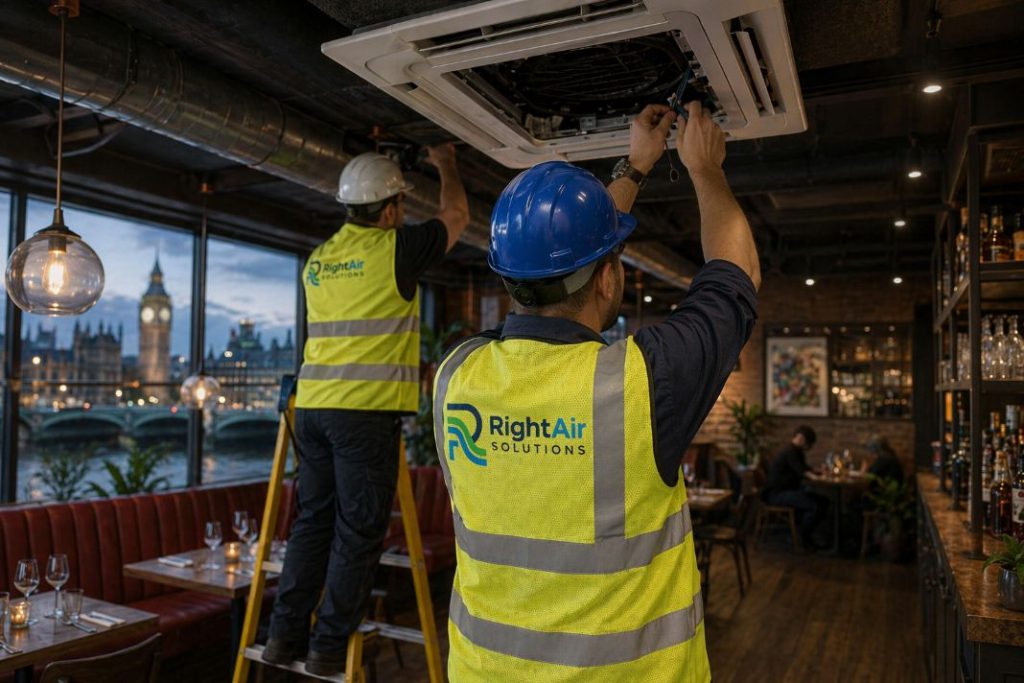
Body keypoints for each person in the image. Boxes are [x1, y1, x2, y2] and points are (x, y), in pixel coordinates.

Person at [434, 101, 759, 682]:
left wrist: (634, 168)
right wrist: (705, 169)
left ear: (509, 280)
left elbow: (550, 276)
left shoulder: (456, 375)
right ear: (610, 277)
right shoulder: (640, 384)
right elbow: (736, 277)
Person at [263, 146, 469, 676]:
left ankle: (283, 638)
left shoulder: (318, 261)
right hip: (363, 415)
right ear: (392, 208)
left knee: (313, 524)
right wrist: (446, 162)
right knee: (358, 530)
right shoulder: (394, 249)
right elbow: (456, 218)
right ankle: (329, 648)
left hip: (311, 409)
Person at [763, 425, 827, 548]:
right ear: (802, 439)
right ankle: (801, 537)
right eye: (809, 444)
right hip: (777, 494)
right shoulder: (791, 452)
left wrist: (816, 471)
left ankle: (804, 534)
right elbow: (802, 471)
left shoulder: (794, 451)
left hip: (784, 491)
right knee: (815, 506)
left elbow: (804, 468)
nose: (809, 447)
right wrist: (817, 477)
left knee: (824, 502)